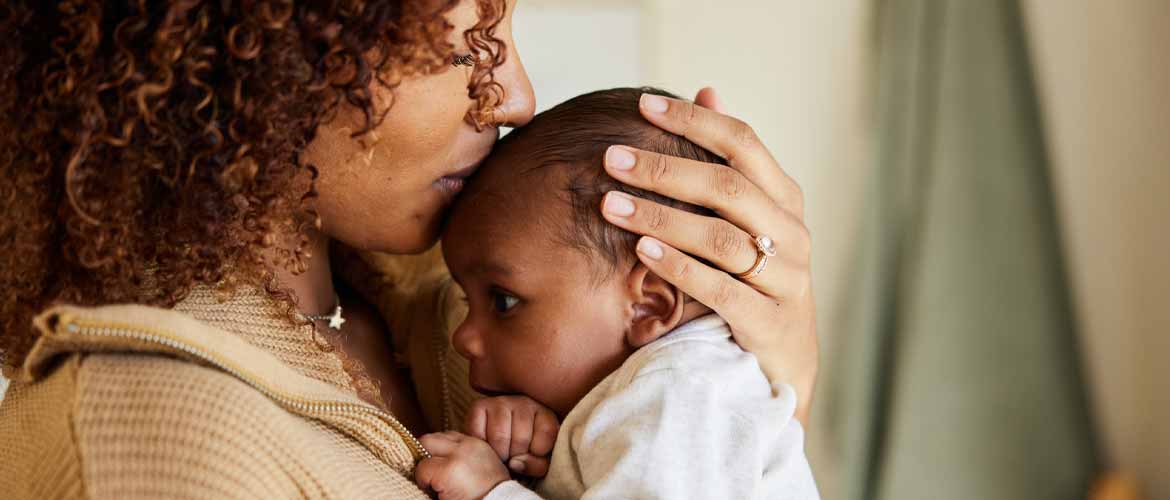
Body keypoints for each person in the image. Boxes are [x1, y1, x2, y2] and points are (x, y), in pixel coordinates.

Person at [0, 1, 818, 498]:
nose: (515, 98)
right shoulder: (146, 440)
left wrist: (768, 376)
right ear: (275, 56)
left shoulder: (467, 299)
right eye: (464, 48)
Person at [416, 87, 820, 500]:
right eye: (469, 301)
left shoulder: (680, 392)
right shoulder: (671, 391)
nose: (462, 337)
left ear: (649, 305)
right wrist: (548, 443)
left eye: (503, 301)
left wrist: (493, 492)